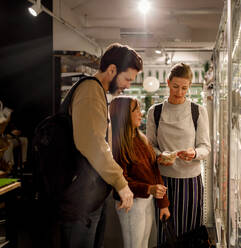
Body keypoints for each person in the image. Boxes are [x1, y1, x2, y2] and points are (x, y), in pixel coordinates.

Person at [61, 43, 143, 248]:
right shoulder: (90, 91)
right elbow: (92, 143)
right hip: (81, 198)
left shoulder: (96, 91)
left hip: (88, 195)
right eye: (127, 79)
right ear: (112, 69)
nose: (128, 85)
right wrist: (121, 182)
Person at [146, 63, 211, 245]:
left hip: (191, 181)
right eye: (175, 87)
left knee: (189, 234)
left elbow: (205, 147)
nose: (180, 92)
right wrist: (160, 155)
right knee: (164, 231)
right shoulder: (155, 111)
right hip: (163, 181)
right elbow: (150, 145)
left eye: (184, 88)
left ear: (189, 86)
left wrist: (194, 152)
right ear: (168, 83)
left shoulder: (197, 111)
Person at [110, 96, 170, 248]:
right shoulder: (117, 146)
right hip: (131, 204)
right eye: (135, 109)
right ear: (123, 115)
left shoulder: (141, 139)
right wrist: (149, 189)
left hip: (146, 202)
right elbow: (121, 181)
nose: (140, 113)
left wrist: (163, 204)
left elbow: (154, 171)